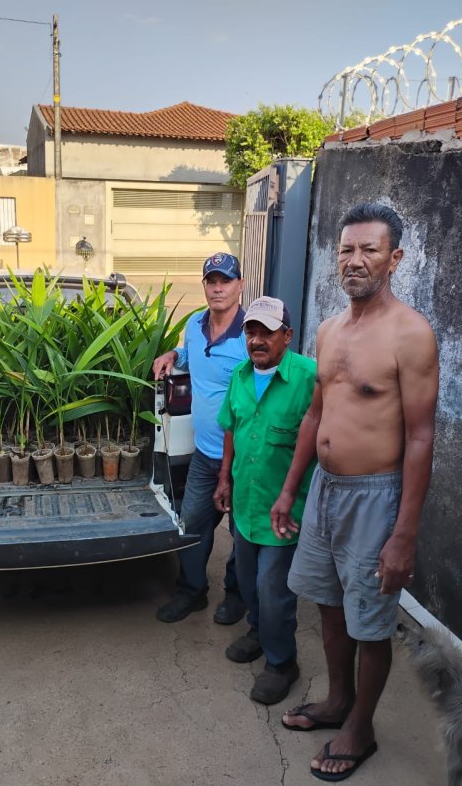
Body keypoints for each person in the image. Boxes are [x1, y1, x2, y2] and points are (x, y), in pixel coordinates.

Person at [271, 203, 439, 781]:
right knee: (329, 603)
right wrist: (290, 490)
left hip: (376, 497)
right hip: (325, 491)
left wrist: (404, 535)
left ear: (394, 259)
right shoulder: (329, 328)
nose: (355, 260)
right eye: (346, 249)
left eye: (369, 250)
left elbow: (420, 438)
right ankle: (338, 701)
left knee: (370, 621)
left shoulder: (411, 335)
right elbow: (316, 418)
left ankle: (361, 728)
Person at [213, 297, 317, 705]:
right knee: (250, 583)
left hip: (284, 510)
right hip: (245, 503)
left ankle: (281, 662)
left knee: (275, 592)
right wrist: (224, 479)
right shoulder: (240, 376)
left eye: (267, 332)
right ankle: (258, 631)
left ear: (286, 336)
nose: (257, 340)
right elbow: (230, 429)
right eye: (251, 332)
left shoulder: (309, 377)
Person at [153, 253, 248, 624]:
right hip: (205, 453)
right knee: (192, 523)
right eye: (212, 281)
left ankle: (237, 596)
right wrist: (174, 352)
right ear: (205, 285)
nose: (218, 287)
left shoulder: (250, 333)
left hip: (244, 457)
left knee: (243, 534)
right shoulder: (195, 323)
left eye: (226, 280)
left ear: (240, 285)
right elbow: (191, 357)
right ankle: (192, 592)